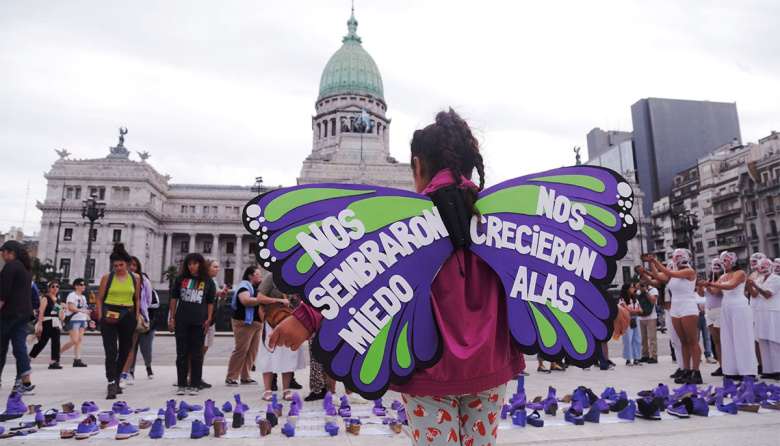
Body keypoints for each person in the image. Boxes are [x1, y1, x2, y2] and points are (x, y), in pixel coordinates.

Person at [269, 109, 526, 445]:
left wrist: (307, 316)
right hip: (490, 364)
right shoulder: (502, 218)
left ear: (417, 167)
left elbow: (359, 272)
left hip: (427, 366)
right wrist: (609, 308)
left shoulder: (404, 224)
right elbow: (555, 265)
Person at [643, 250, 703, 384]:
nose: (676, 259)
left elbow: (669, 273)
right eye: (675, 257)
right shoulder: (674, 274)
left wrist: (655, 261)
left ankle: (696, 372)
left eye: (678, 257)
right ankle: (687, 370)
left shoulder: (689, 271)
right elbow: (659, 277)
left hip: (688, 306)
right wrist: (651, 264)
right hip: (675, 306)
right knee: (683, 341)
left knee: (692, 340)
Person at [96, 243, 141, 399]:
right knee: (110, 351)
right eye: (115, 266)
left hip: (128, 314)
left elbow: (137, 298)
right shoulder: (107, 278)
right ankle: (110, 383)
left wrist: (136, 316)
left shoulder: (135, 278)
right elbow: (100, 298)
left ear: (127, 264)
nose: (119, 268)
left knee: (125, 349)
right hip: (110, 313)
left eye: (121, 265)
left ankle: (117, 379)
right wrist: (101, 317)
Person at [169, 253, 215, 396]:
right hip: (182, 320)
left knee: (197, 354)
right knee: (181, 354)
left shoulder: (208, 281)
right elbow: (173, 298)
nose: (192, 266)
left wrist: (208, 319)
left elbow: (210, 302)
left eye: (195, 264)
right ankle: (182, 384)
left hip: (199, 322)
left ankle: (195, 383)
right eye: (189, 264)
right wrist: (171, 318)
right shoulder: (180, 279)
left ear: (200, 265)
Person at [707, 251, 757, 378]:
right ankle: (732, 370)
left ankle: (748, 371)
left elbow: (730, 286)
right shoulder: (723, 276)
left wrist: (711, 284)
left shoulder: (739, 273)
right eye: (723, 262)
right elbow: (715, 291)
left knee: (742, 338)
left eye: (726, 261)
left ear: (733, 261)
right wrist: (705, 285)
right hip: (726, 308)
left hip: (739, 307)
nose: (724, 264)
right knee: (728, 339)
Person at [255, 271, 298, 402]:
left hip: (289, 320)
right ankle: (267, 389)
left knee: (288, 354)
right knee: (269, 353)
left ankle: (286, 389)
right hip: (272, 321)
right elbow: (259, 298)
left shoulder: (295, 278)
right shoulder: (272, 277)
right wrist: (278, 300)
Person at [0, 240, 35, 393]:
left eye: (4, 251)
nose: (2, 254)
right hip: (23, 314)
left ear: (11, 252)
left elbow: (3, 293)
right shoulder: (26, 269)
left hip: (8, 313)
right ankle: (26, 381)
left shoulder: (11, 266)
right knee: (20, 347)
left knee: (1, 347)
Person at [225, 266, 264, 387]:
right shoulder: (244, 286)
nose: (260, 276)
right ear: (250, 276)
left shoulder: (257, 288)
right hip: (244, 323)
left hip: (256, 323)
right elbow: (245, 300)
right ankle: (231, 377)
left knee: (252, 351)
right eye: (258, 274)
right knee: (241, 349)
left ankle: (245, 377)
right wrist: (263, 300)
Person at [745, 256, 780, 380]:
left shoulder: (776, 279)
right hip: (760, 312)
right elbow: (755, 295)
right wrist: (749, 286)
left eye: (764, 266)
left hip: (773, 311)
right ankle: (768, 369)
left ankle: (778, 369)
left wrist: (754, 284)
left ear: (769, 266)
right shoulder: (759, 279)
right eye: (760, 267)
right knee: (763, 341)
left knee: (774, 341)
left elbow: (767, 294)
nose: (762, 269)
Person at [121, 257, 154, 386]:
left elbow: (148, 300)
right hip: (121, 314)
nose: (132, 267)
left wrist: (142, 313)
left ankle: (126, 373)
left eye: (134, 265)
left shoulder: (143, 281)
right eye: (129, 265)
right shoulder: (119, 279)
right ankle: (125, 372)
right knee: (123, 346)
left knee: (130, 346)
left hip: (135, 315)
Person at [202, 259, 229, 388]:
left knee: (205, 348)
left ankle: (197, 374)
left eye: (218, 267)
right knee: (199, 348)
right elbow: (208, 294)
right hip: (203, 319)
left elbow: (218, 302)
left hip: (212, 319)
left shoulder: (215, 282)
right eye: (215, 267)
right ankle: (190, 375)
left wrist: (222, 296)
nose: (218, 269)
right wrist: (218, 293)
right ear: (207, 268)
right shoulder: (203, 281)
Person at [29, 280, 64, 369]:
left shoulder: (58, 300)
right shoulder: (45, 298)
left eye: (57, 287)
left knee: (56, 342)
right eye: (53, 287)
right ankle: (29, 357)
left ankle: (54, 361)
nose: (55, 288)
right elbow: (41, 312)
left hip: (55, 322)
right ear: (49, 288)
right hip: (47, 321)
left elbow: (59, 313)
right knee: (43, 342)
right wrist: (40, 324)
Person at [699, 258, 725, 376]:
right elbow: (701, 294)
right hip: (709, 312)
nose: (715, 267)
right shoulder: (711, 279)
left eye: (717, 265)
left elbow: (717, 292)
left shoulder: (723, 279)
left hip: (719, 310)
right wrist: (700, 285)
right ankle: (721, 365)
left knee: (723, 340)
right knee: (716, 341)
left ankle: (727, 365)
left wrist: (708, 286)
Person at [60, 278, 92, 367]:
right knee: (74, 340)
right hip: (74, 320)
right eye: (81, 285)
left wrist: (88, 318)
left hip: (82, 319)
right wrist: (82, 311)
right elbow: (70, 307)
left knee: (79, 341)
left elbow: (85, 308)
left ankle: (77, 359)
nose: (83, 286)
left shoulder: (83, 297)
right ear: (76, 286)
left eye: (84, 285)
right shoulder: (72, 295)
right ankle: (58, 354)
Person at [619, 282, 643, 366]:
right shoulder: (622, 300)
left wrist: (636, 311)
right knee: (627, 339)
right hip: (627, 320)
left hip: (635, 319)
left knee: (637, 338)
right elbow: (627, 310)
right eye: (632, 287)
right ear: (627, 289)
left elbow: (641, 309)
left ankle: (637, 358)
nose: (634, 289)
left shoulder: (635, 299)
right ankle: (628, 358)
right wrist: (637, 311)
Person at [636, 280, 658, 363]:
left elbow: (653, 301)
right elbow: (634, 299)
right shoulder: (638, 290)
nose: (643, 282)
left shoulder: (653, 290)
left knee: (652, 337)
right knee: (642, 338)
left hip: (651, 317)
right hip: (641, 317)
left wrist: (645, 291)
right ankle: (644, 355)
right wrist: (636, 288)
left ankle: (654, 356)